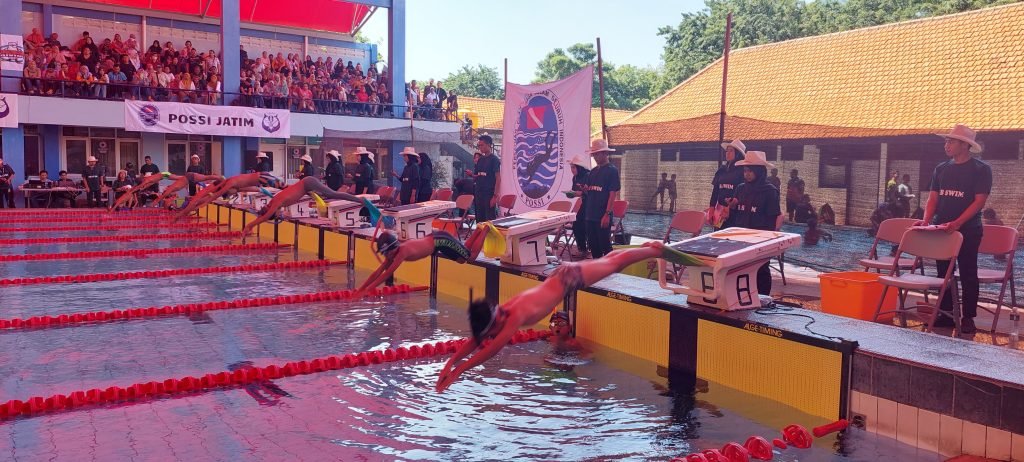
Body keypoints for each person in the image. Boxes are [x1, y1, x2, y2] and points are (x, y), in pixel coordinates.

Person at [435, 241, 667, 392]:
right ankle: (646, 248)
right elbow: (476, 341)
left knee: (614, 264)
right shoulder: (503, 312)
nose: (491, 336)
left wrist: (459, 371)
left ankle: (655, 250)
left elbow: (491, 350)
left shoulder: (515, 316)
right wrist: (449, 364)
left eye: (491, 332)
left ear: (495, 322)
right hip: (562, 277)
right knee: (611, 262)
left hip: (569, 278)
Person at [918, 124, 992, 334]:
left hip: (968, 230)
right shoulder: (941, 169)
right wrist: (926, 221)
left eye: (951, 141)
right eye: (946, 141)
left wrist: (958, 223)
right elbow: (933, 198)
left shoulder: (981, 170)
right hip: (942, 229)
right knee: (944, 272)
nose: (946, 145)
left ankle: (968, 317)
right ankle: (946, 314)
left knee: (968, 272)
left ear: (965, 145)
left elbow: (979, 201)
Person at [353, 226, 489, 298]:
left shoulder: (403, 251)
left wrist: (367, 291)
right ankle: (478, 230)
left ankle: (486, 229)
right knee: (461, 258)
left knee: (470, 257)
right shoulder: (393, 253)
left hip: (441, 241)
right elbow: (378, 272)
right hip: (436, 241)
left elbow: (386, 274)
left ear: (392, 248)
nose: (386, 256)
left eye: (386, 253)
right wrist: (360, 289)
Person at [722, 151, 781, 296]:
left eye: (750, 171)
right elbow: (735, 213)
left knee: (760, 268)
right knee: (740, 268)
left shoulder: (770, 191)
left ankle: (762, 297)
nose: (746, 174)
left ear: (759, 171)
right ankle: (743, 296)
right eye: (745, 171)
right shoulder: (741, 188)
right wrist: (732, 206)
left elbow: (773, 217)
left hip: (760, 237)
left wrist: (767, 240)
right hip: (741, 235)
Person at [241, 177, 368, 239]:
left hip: (308, 183)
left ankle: (360, 200)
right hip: (306, 187)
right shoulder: (274, 201)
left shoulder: (276, 204)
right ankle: (359, 200)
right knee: (328, 196)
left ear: (274, 213)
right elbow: (265, 215)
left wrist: (249, 226)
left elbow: (265, 217)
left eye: (277, 215)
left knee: (332, 194)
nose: (280, 215)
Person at [582, 138, 620, 258]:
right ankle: (597, 267)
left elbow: (612, 194)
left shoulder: (612, 171)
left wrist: (607, 214)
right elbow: (589, 191)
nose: (595, 157)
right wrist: (584, 190)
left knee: (605, 245)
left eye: (597, 154)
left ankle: (612, 269)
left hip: (602, 214)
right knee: (593, 245)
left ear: (605, 153)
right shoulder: (592, 172)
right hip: (590, 214)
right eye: (593, 154)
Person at [710, 140, 747, 228]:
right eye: (727, 151)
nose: (727, 153)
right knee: (718, 234)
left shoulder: (743, 171)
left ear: (738, 154)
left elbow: (744, 193)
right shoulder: (722, 170)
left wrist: (729, 208)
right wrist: (711, 207)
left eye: (731, 151)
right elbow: (715, 191)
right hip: (720, 212)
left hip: (736, 212)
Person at [567, 156, 592, 257]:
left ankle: (589, 248)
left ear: (579, 168)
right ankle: (582, 249)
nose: (572, 170)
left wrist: (580, 193)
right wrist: (570, 194)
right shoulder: (575, 178)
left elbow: (592, 191)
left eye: (574, 167)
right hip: (585, 203)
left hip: (593, 204)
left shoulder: (588, 175)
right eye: (571, 167)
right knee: (576, 224)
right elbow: (575, 192)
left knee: (587, 225)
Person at [472, 135, 501, 222]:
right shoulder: (480, 159)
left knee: (489, 220)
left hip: (489, 193)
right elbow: (477, 175)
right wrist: (471, 175)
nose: (480, 147)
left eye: (482, 145)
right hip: (478, 192)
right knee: (479, 219)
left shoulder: (494, 159)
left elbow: (498, 178)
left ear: (489, 145)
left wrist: (495, 196)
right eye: (479, 145)